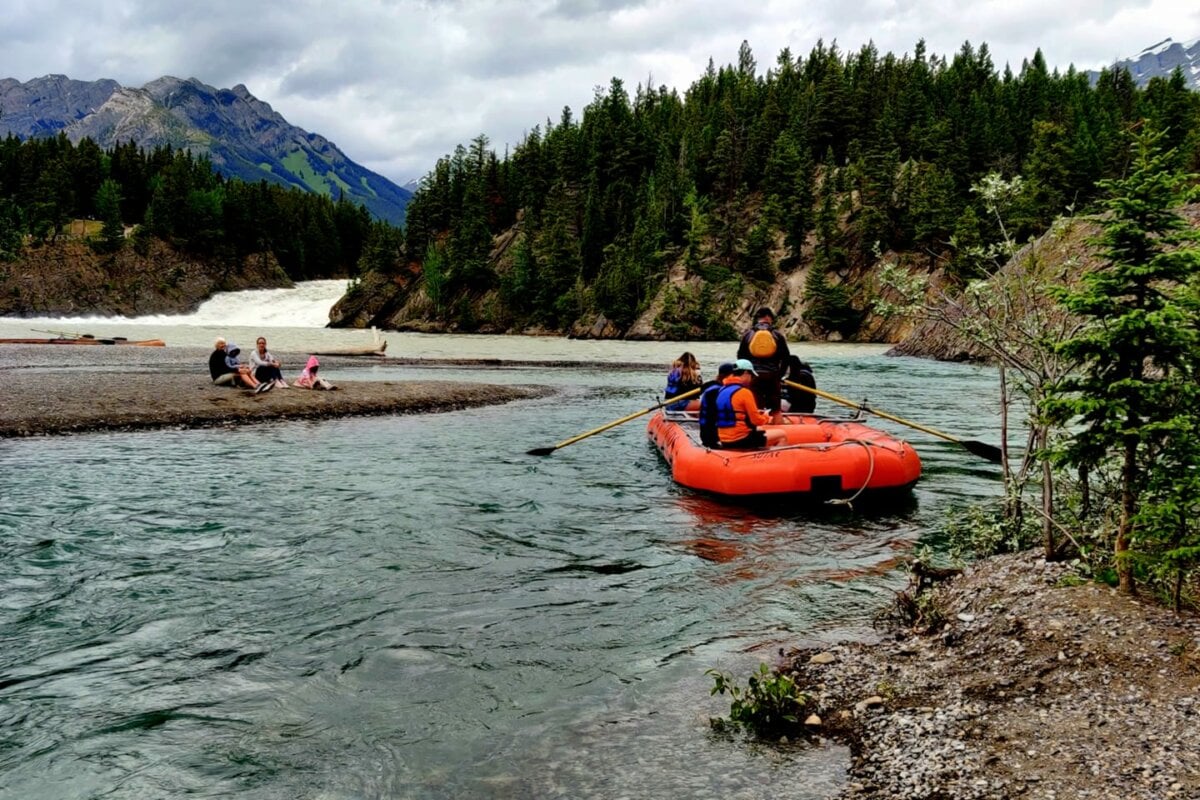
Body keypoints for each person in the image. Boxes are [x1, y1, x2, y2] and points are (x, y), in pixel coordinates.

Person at [700, 359, 786, 450]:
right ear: (745, 373)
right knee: (782, 435)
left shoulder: (722, 390)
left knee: (759, 432)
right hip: (741, 439)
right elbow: (756, 421)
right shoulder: (744, 392)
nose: (751, 379)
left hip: (723, 438)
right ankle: (771, 461)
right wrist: (767, 417)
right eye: (751, 375)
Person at [736, 306, 791, 424]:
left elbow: (741, 358)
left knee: (757, 408)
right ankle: (779, 433)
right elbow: (786, 357)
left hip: (755, 376)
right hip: (772, 375)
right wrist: (780, 375)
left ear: (758, 318)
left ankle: (760, 435)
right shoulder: (777, 335)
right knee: (776, 410)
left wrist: (748, 374)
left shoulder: (748, 335)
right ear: (769, 318)